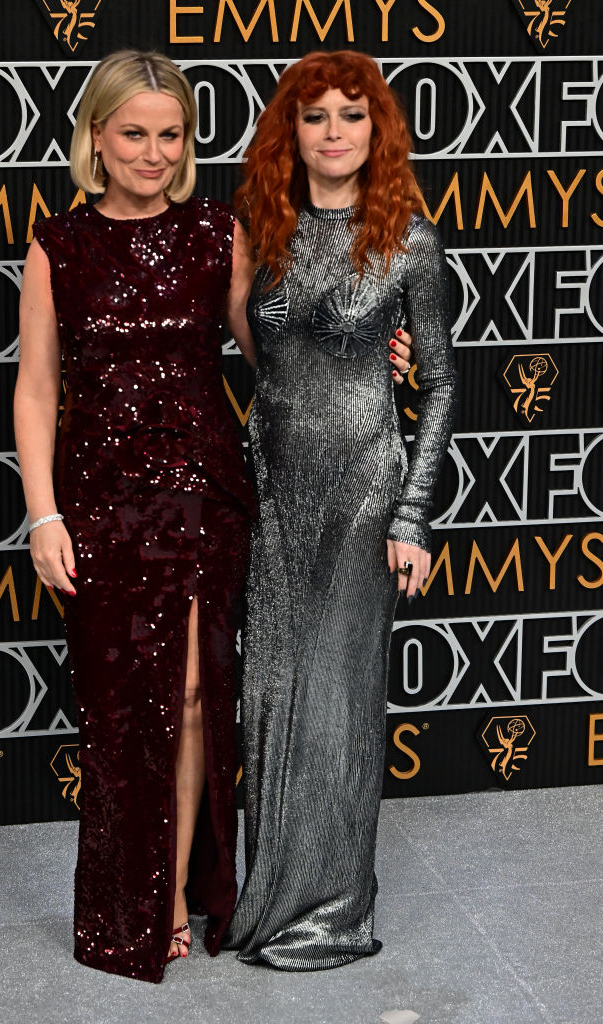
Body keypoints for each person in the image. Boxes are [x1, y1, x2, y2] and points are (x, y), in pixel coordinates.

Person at [14, 49, 414, 983]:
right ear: (97, 140)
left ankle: (175, 897)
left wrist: (363, 358)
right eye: (133, 135)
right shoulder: (56, 247)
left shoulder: (215, 234)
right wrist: (42, 517)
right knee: (121, 715)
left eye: (170, 135)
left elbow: (272, 352)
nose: (152, 154)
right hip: (102, 505)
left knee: (196, 701)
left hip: (203, 495)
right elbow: (35, 392)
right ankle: (132, 897)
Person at [224, 50, 457, 971]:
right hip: (271, 486)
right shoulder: (260, 228)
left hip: (365, 486)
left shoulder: (409, 243)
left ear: (377, 131)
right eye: (314, 115)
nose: (332, 132)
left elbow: (436, 384)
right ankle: (266, 899)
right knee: (270, 700)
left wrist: (412, 516)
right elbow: (257, 355)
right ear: (291, 130)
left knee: (339, 704)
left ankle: (330, 915)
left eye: (350, 116)